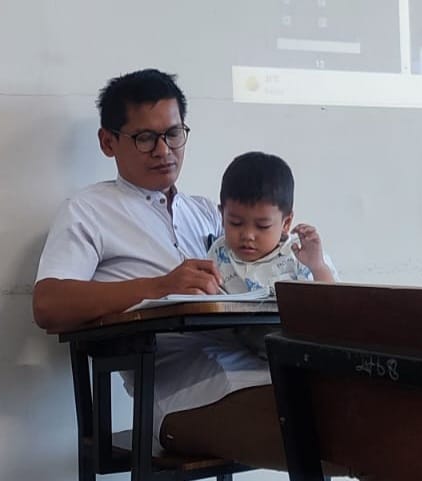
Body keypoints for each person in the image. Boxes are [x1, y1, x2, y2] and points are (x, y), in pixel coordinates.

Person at [33, 68, 350, 474]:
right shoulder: (89, 211)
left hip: (262, 370)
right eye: (145, 138)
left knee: (383, 409)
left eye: (173, 134)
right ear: (108, 142)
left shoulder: (212, 214)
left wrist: (311, 267)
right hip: (183, 394)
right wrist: (160, 286)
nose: (163, 150)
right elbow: (48, 305)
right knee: (343, 433)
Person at [208, 151, 338, 358]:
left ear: (286, 223)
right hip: (243, 352)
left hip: (304, 349)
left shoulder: (299, 254)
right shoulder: (219, 252)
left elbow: (334, 304)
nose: (248, 235)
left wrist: (317, 266)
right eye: (235, 223)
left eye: (262, 226)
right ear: (221, 214)